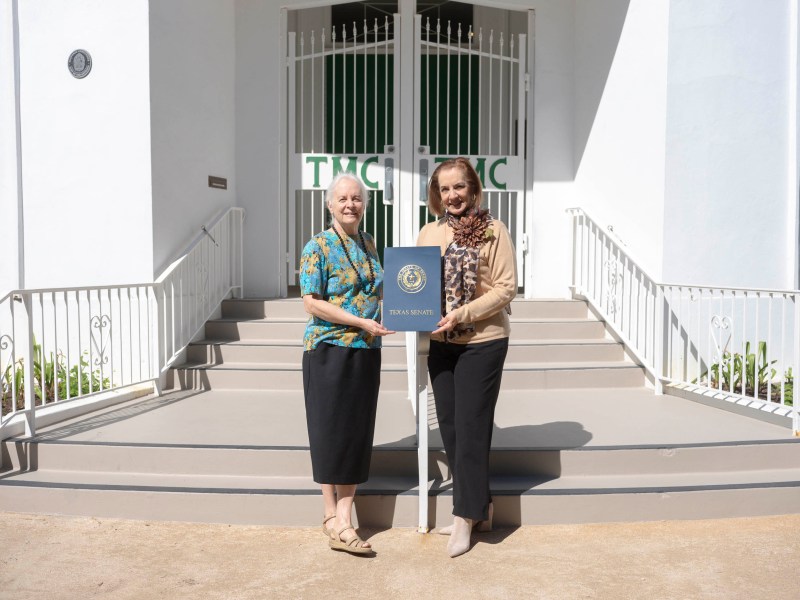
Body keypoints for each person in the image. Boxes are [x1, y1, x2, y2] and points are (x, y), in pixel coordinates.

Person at [417, 157, 517, 557]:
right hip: (440, 343)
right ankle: (480, 508)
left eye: (459, 187)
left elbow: (506, 287)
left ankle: (464, 518)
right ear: (436, 195)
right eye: (444, 189)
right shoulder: (428, 232)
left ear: (473, 189)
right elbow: (416, 280)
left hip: (483, 340)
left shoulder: (494, 230)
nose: (452, 195)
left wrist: (462, 313)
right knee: (453, 428)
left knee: (473, 427)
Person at [300, 173, 394, 555]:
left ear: (364, 203)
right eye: (342, 198)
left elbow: (376, 287)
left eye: (356, 198)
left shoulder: (368, 242)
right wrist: (358, 321)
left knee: (356, 431)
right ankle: (334, 517)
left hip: (367, 348)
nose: (350, 204)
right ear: (329, 204)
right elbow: (311, 301)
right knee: (329, 430)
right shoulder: (317, 246)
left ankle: (341, 518)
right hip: (328, 347)